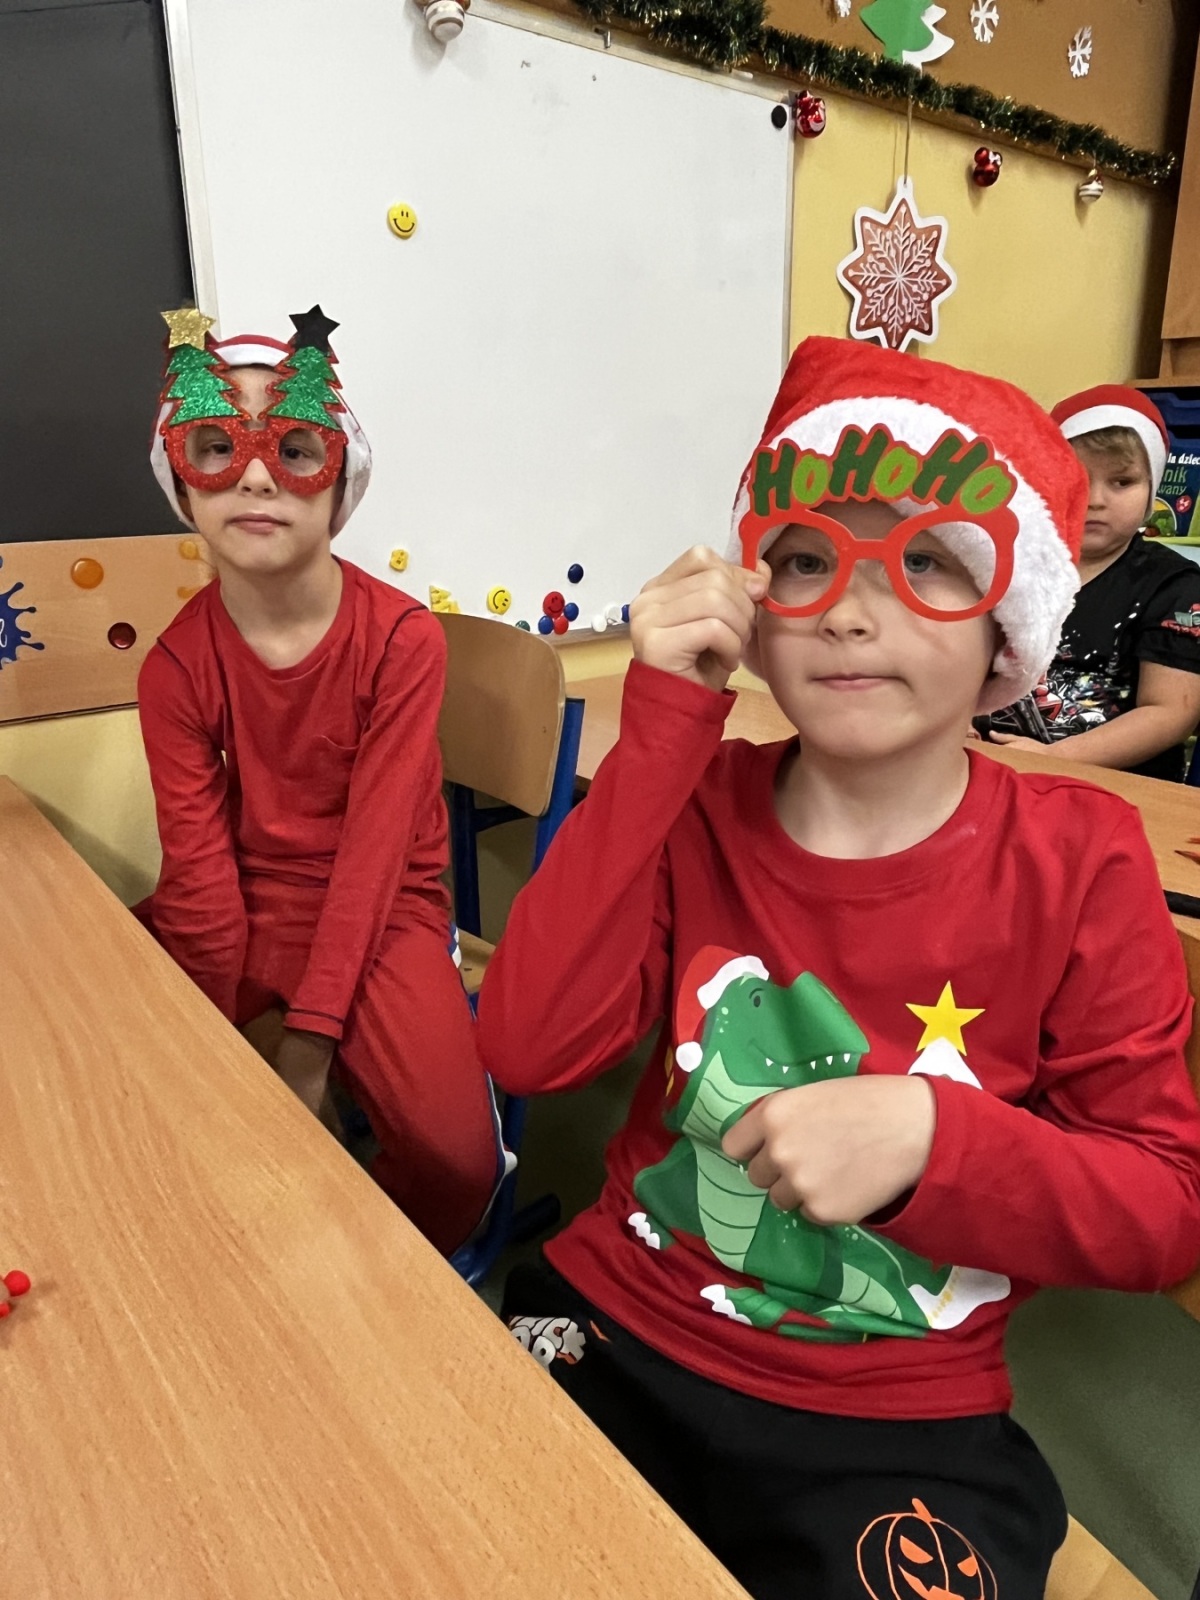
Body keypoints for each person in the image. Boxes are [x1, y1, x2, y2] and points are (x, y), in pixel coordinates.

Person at [478, 337, 1200, 1598]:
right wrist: (663, 725)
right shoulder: (698, 800)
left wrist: (934, 1139)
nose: (852, 609)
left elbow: (1163, 1207)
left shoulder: (1079, 857)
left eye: (928, 563)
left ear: (1009, 627)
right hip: (621, 1322)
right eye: (808, 560)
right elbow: (528, 1045)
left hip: (891, 1414)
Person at [137, 305, 497, 1256]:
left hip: (383, 909)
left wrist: (309, 1044)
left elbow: (379, 859)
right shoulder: (174, 669)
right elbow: (201, 883)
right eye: (218, 446)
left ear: (340, 482)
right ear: (182, 480)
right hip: (249, 898)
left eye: (295, 449)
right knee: (125, 1064)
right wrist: (209, 1040)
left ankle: (365, 1272)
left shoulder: (402, 641)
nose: (257, 475)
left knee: (458, 1164)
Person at [985, 385, 1200, 779]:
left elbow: (1171, 711)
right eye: (1078, 480)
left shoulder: (1175, 587)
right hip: (988, 768)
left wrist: (1052, 759)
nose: (1096, 500)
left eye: (1122, 482)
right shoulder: (1005, 562)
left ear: (1152, 490)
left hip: (1114, 787)